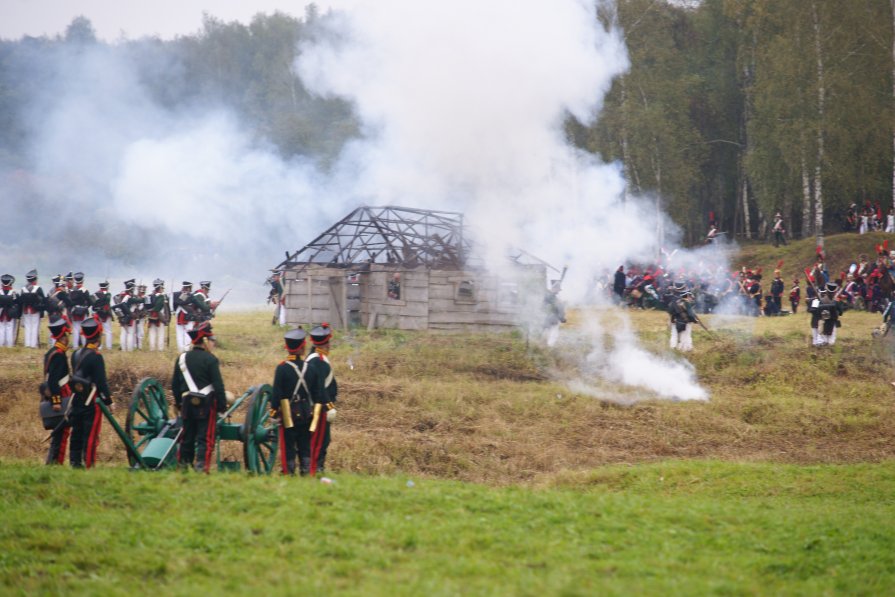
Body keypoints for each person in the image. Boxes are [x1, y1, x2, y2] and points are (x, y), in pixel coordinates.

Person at [171, 322, 226, 473]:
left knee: (187, 437)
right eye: (211, 341)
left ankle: (183, 466)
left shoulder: (181, 358)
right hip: (207, 404)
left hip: (187, 403)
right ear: (205, 341)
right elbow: (218, 386)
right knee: (205, 438)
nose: (213, 344)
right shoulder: (211, 360)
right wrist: (222, 407)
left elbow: (175, 384)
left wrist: (178, 403)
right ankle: (201, 467)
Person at [273, 328, 325, 476]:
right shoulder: (311, 368)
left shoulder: (282, 368)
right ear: (301, 347)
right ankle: (305, 470)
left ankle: (289, 471)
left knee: (288, 444)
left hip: (288, 413)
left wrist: (274, 411)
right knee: (305, 444)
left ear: (288, 348)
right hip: (306, 412)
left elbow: (277, 394)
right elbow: (318, 395)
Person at [68, 318, 113, 468]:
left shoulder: (75, 354)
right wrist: (109, 401)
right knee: (90, 435)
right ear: (98, 336)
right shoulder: (96, 357)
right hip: (91, 400)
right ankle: (89, 464)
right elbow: (101, 382)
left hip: (76, 398)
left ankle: (74, 462)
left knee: (77, 433)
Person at [304, 324, 338, 476]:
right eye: (328, 343)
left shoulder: (314, 357)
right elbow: (319, 387)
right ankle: (316, 468)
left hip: (315, 405)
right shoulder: (319, 361)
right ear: (325, 343)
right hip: (318, 407)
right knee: (321, 440)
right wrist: (330, 406)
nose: (329, 345)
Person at [42, 318, 73, 465]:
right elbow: (53, 380)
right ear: (62, 337)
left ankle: (53, 462)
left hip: (59, 392)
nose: (68, 339)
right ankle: (55, 463)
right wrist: (57, 401)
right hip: (60, 393)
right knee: (62, 431)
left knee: (59, 432)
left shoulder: (52, 352)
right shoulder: (58, 355)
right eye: (66, 335)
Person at [19, 270, 45, 348]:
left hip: (26, 310)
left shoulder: (23, 289)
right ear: (35, 279)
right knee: (34, 327)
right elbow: (43, 300)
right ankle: (33, 345)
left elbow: (21, 301)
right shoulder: (38, 288)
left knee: (27, 327)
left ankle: (27, 344)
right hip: (35, 310)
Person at [113, 279, 138, 351]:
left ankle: (123, 349)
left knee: (123, 333)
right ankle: (130, 349)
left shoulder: (121, 295)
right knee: (130, 333)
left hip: (122, 316)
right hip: (129, 316)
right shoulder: (129, 297)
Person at [68, 272, 91, 348]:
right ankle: (85, 345)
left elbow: (69, 302)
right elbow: (90, 301)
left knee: (75, 329)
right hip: (83, 311)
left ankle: (75, 346)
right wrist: (86, 307)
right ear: (82, 280)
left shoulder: (71, 290)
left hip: (74, 311)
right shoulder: (85, 290)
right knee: (83, 329)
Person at [146, 279, 169, 352]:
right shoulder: (162, 296)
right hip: (159, 317)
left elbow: (146, 307)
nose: (162, 289)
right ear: (159, 287)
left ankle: (152, 349)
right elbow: (158, 308)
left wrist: (149, 311)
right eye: (162, 288)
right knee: (160, 334)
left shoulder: (149, 295)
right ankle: (160, 349)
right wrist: (165, 320)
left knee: (152, 333)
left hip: (151, 317)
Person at [543, 280, 567, 346]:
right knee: (554, 334)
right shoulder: (552, 297)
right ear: (554, 288)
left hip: (548, 318)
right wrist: (562, 318)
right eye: (558, 289)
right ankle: (549, 348)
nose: (558, 291)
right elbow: (557, 308)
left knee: (548, 333)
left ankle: (544, 346)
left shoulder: (549, 296)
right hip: (553, 318)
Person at [92, 281, 114, 350]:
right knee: (108, 331)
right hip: (105, 314)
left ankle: (99, 346)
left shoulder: (95, 294)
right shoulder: (108, 294)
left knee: (99, 331)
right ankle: (109, 347)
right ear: (107, 287)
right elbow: (107, 301)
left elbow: (93, 304)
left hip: (98, 314)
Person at [173, 281, 195, 352]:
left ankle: (181, 350)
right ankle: (186, 349)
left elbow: (174, 305)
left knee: (180, 334)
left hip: (178, 314)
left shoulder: (175, 294)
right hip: (187, 316)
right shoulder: (189, 295)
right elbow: (181, 302)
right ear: (188, 288)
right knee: (188, 333)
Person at [0, 274, 19, 347]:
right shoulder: (14, 293)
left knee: (1, 329)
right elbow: (17, 302)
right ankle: (9, 345)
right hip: (10, 312)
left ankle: (1, 344)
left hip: (1, 312)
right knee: (10, 328)